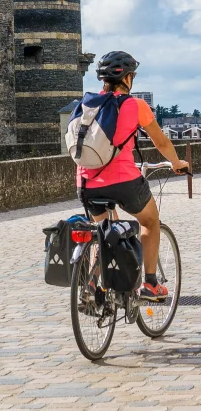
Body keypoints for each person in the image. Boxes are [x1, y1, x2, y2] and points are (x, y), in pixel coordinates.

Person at [79, 51, 189, 301]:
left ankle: (92, 285)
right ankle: (150, 284)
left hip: (86, 183)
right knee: (150, 221)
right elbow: (160, 141)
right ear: (127, 78)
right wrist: (177, 163)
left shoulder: (86, 104)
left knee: (102, 230)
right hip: (124, 182)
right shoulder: (135, 105)